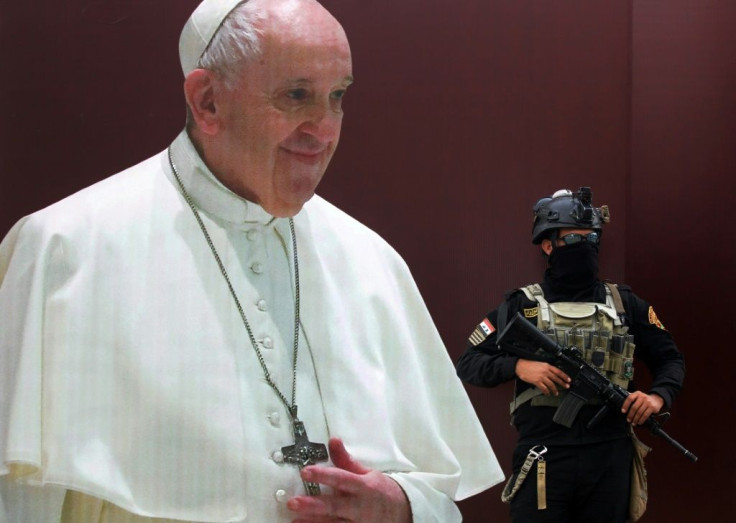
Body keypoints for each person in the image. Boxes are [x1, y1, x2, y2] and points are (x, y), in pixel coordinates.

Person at [0, 1, 504, 521]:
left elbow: (439, 498)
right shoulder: (65, 250)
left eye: (337, 98)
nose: (324, 129)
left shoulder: (374, 262)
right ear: (208, 101)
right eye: (296, 95)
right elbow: (16, 499)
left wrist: (402, 507)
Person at [456, 187, 685, 523]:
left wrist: (657, 398)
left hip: (609, 457)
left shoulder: (624, 304)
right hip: (544, 457)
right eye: (574, 241)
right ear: (548, 245)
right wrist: (518, 366)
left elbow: (671, 359)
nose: (587, 247)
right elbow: (469, 363)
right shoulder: (523, 306)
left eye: (592, 239)